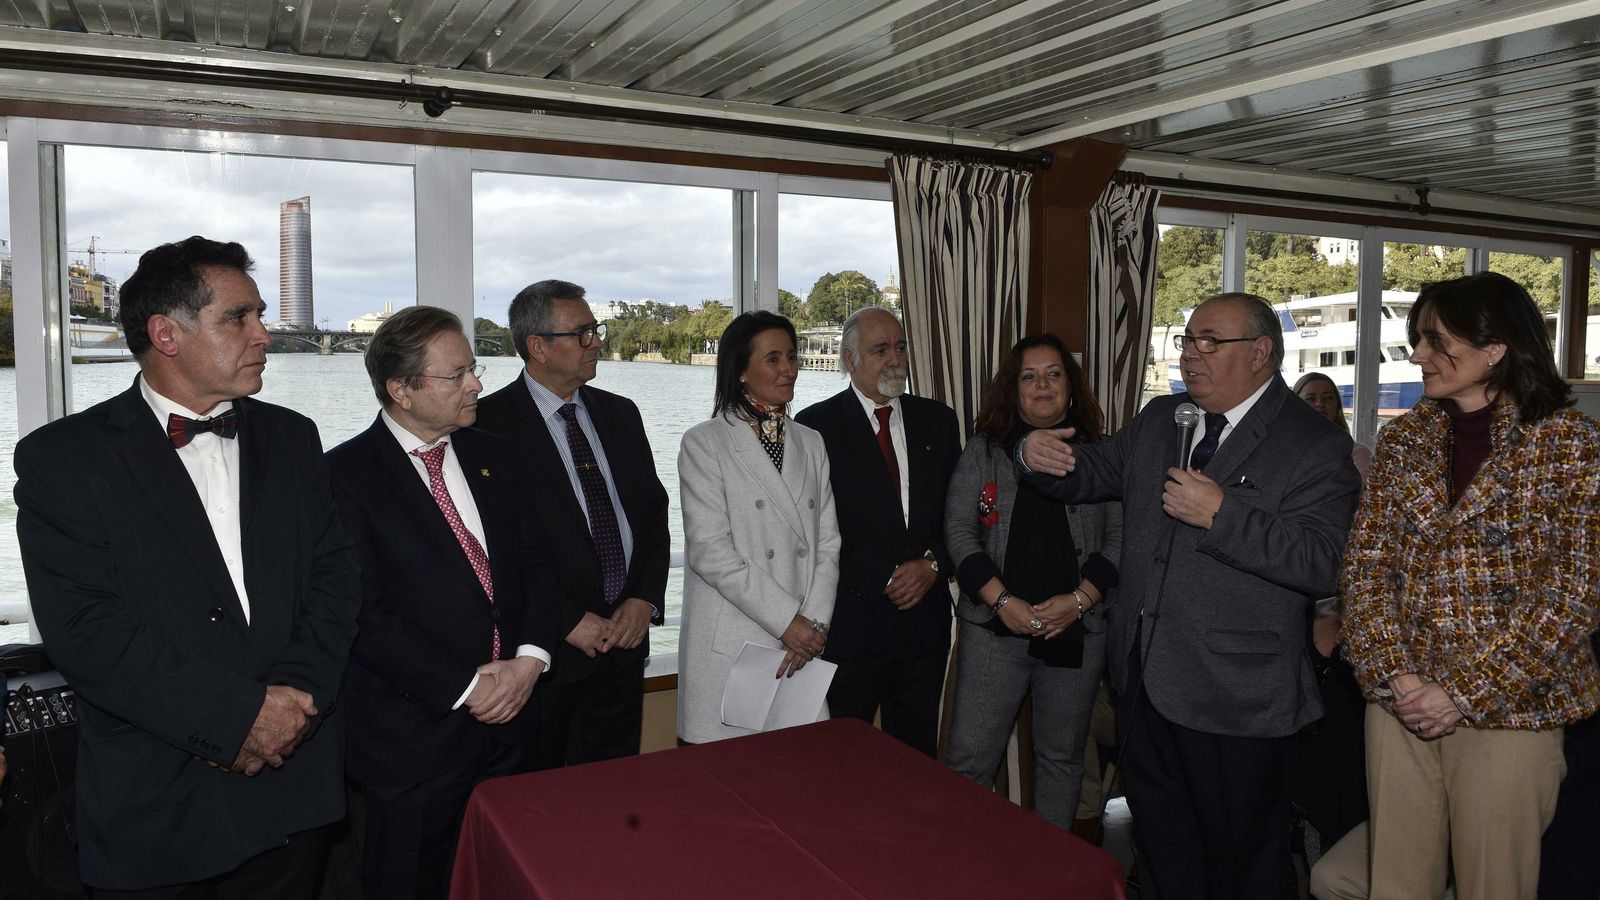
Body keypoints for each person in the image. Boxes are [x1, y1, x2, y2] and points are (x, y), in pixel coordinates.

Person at [13, 236, 360, 896]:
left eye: (261, 314)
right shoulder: (63, 459)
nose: (264, 334)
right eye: (240, 317)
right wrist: (238, 719)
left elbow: (336, 577)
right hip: (161, 803)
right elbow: (85, 630)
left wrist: (294, 701)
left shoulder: (293, 436)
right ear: (165, 334)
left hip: (297, 793)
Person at [1019, 292, 1360, 899]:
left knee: (1243, 864)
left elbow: (1324, 564)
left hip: (1239, 698)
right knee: (1163, 851)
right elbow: (1091, 472)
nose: (1191, 355)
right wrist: (1036, 454)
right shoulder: (1163, 419)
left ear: (1260, 353)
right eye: (1187, 340)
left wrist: (1222, 515)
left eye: (1211, 342)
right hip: (1147, 681)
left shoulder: (1313, 443)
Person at [1339, 271, 1600, 900]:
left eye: (1434, 340)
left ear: (1495, 347)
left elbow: (1571, 601)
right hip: (1398, 704)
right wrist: (1400, 678)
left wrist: (1457, 693)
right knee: (1395, 886)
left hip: (1512, 711)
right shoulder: (1403, 441)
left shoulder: (1570, 445)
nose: (1418, 355)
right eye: (1418, 340)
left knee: (1494, 887)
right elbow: (1365, 570)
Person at [324, 306, 559, 900]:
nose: (476, 384)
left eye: (472, 370)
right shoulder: (341, 477)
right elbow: (364, 614)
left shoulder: (496, 456)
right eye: (455, 376)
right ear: (401, 389)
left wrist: (530, 661)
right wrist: (468, 688)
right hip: (410, 749)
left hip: (516, 728)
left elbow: (537, 565)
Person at [475, 280, 669, 768]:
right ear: (537, 346)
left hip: (623, 651)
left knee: (614, 799)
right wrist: (564, 622)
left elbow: (652, 517)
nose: (597, 342)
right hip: (543, 661)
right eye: (582, 333)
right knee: (543, 809)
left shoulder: (621, 414)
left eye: (594, 329)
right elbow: (490, 551)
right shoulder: (485, 426)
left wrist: (643, 600)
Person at [943, 333, 1120, 828]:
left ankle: (1050, 876)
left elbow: (1120, 541)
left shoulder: (1101, 454)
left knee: (1062, 762)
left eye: (1053, 374)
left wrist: (1080, 602)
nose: (1042, 385)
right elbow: (959, 532)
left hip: (1075, 630)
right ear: (1013, 388)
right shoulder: (986, 450)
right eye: (1029, 376)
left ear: (1070, 384)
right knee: (970, 762)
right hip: (995, 629)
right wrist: (1003, 602)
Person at [793, 307, 960, 757]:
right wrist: (883, 577)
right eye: (880, 349)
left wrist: (933, 564)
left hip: (924, 628)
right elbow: (810, 531)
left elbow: (959, 517)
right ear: (849, 359)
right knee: (843, 762)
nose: (895, 359)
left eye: (900, 347)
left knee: (917, 761)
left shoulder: (939, 422)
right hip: (853, 625)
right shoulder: (814, 428)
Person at [677, 311, 841, 744]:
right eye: (773, 358)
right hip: (735, 643)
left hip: (801, 646)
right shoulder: (704, 442)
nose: (788, 368)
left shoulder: (812, 441)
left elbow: (828, 543)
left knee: (797, 784)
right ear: (741, 371)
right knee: (726, 792)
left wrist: (814, 628)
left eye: (792, 356)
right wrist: (787, 620)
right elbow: (710, 551)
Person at [1294, 371, 1374, 478]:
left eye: (1328, 398)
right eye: (1310, 398)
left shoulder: (1357, 454)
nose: (1320, 403)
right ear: (1294, 406)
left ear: (1337, 407)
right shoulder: (1280, 451)